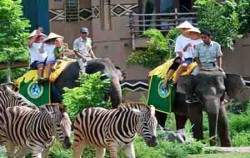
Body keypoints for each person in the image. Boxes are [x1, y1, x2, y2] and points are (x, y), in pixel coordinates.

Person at [185, 29, 223, 103]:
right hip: (202, 66)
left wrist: (220, 67)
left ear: (209, 37)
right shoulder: (198, 46)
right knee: (192, 77)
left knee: (223, 76)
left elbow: (219, 56)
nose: (203, 39)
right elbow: (196, 57)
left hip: (213, 66)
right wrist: (200, 66)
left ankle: (223, 97)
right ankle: (191, 96)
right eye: (202, 38)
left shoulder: (216, 45)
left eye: (205, 37)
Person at [163, 21, 194, 89]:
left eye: (186, 28)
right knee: (176, 63)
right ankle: (166, 80)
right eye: (183, 28)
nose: (185, 30)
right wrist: (182, 58)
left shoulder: (195, 37)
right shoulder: (179, 38)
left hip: (194, 57)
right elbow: (178, 50)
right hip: (182, 56)